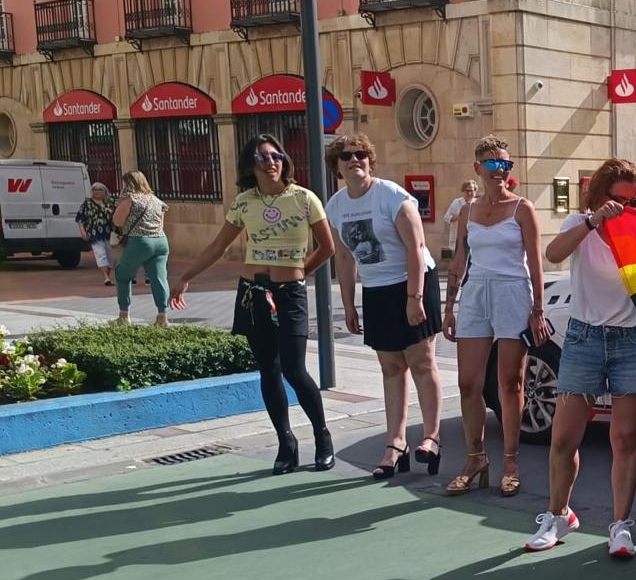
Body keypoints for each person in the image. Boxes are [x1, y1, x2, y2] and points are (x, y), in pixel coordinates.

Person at [171, 135, 336, 474]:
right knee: (269, 369)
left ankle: (322, 436)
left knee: (294, 368)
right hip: (253, 293)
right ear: (251, 165)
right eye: (263, 158)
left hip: (289, 294)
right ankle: (286, 442)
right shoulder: (244, 202)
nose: (271, 162)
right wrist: (186, 276)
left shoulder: (305, 199)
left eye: (276, 155)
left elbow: (328, 246)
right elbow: (218, 246)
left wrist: (299, 273)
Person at [527, 159, 636, 559]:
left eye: (634, 201)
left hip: (632, 339)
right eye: (617, 200)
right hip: (585, 337)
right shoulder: (579, 224)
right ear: (600, 195)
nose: (625, 208)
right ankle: (558, 514)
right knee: (564, 436)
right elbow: (552, 252)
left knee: (624, 437)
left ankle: (620, 526)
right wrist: (593, 222)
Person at [325, 133, 445, 481]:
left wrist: (414, 298)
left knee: (421, 362)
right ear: (337, 166)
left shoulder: (391, 196)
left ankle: (431, 437)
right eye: (346, 156)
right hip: (376, 289)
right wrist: (348, 304)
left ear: (370, 160)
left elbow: (415, 247)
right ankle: (396, 443)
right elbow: (344, 257)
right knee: (391, 367)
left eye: (361, 153)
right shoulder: (336, 205)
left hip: (412, 282)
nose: (354, 160)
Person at [444, 135, 548, 495]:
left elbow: (536, 264)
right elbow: (458, 260)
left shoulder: (523, 208)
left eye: (505, 164)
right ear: (478, 168)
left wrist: (538, 310)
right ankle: (476, 458)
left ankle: (510, 460)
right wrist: (449, 307)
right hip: (475, 293)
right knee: (467, 382)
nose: (499, 170)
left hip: (512, 292)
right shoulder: (467, 211)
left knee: (510, 382)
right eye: (492, 163)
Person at [111, 171, 172, 328]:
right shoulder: (157, 201)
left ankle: (124, 316)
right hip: (160, 241)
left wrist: (120, 203)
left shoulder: (130, 200)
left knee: (122, 274)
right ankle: (162, 316)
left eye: (124, 184)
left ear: (129, 184)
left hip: (140, 242)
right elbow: (161, 224)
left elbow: (117, 221)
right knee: (159, 278)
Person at [76, 182, 117, 285]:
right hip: (94, 233)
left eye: (99, 190)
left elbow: (117, 215)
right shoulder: (87, 203)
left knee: (110, 258)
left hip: (108, 232)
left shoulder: (110, 202)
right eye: (94, 189)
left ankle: (108, 276)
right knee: (100, 254)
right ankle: (106, 278)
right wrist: (83, 232)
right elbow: (80, 218)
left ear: (105, 191)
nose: (96, 192)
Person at [442, 179, 479, 245]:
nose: (469, 193)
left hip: (473, 239)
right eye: (467, 191)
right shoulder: (457, 202)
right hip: (458, 239)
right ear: (463, 191)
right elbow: (446, 217)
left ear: (475, 191)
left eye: (472, 190)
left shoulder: (478, 203)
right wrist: (459, 217)